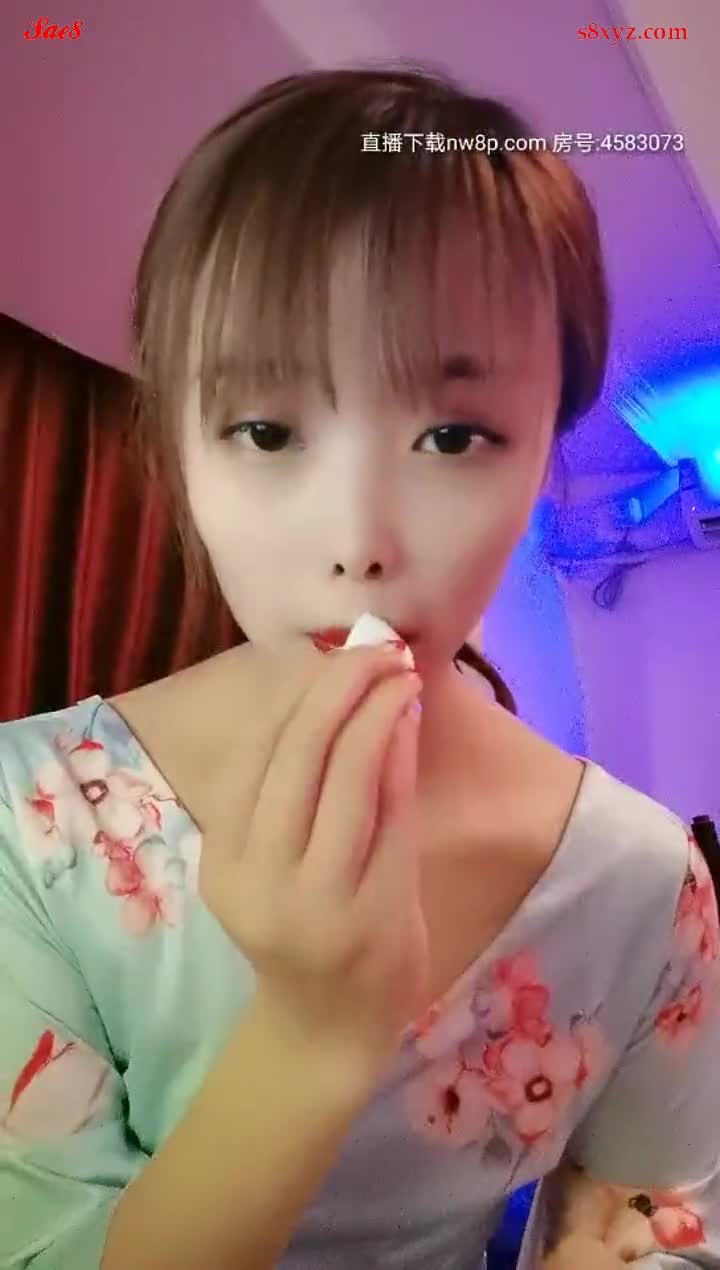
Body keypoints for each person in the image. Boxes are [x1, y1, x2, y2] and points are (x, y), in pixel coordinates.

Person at [1, 65, 718, 1270]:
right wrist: (312, 1037)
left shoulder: (646, 884)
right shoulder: (29, 820)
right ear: (177, 450)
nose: (359, 543)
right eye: (267, 430)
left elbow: (664, 1230)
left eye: (453, 434)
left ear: (546, 456)